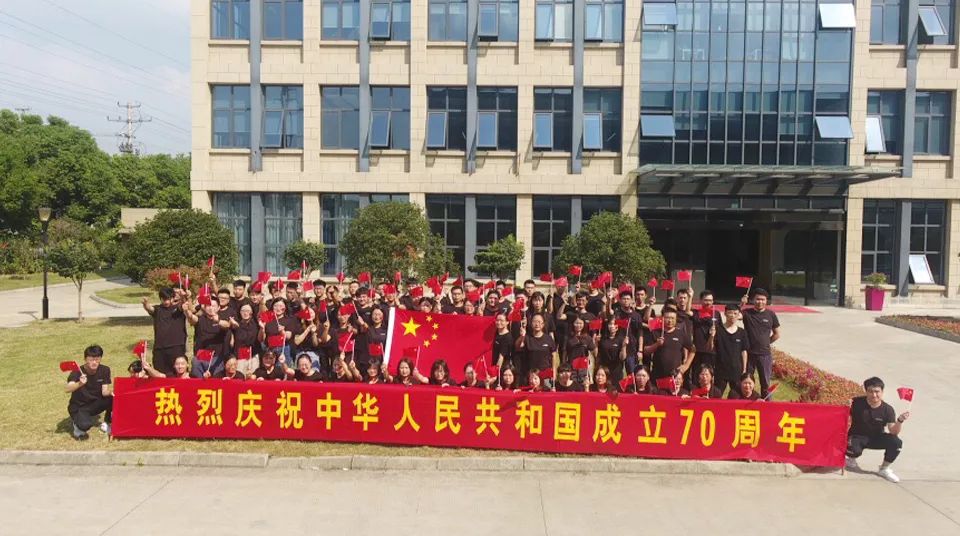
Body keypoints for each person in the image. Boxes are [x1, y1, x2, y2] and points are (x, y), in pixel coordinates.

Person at [846, 377, 910, 483]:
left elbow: (893, 431)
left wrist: (899, 421)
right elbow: (842, 416)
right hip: (857, 436)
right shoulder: (856, 403)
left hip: (876, 438)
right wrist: (845, 405)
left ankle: (884, 469)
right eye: (870, 391)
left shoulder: (888, 409)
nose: (874, 395)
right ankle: (851, 459)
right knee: (854, 450)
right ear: (866, 391)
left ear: (882, 392)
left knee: (896, 442)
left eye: (877, 391)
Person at [65, 345, 113, 440]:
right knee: (85, 425)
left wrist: (113, 392)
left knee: (114, 397)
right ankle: (77, 423)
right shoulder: (77, 372)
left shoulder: (105, 370)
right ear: (85, 359)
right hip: (79, 406)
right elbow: (67, 389)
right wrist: (80, 383)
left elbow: (104, 392)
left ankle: (107, 422)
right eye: (91, 359)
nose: (94, 362)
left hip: (95, 404)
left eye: (97, 359)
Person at [740, 288, 781, 399]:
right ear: (753, 300)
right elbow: (735, 315)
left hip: (765, 355)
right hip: (749, 354)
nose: (760, 302)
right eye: (758, 299)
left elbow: (777, 334)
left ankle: (767, 404)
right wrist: (742, 304)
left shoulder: (771, 314)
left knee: (765, 383)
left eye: (763, 299)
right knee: (746, 381)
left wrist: (766, 342)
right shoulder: (746, 313)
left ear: (766, 301)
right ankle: (746, 403)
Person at [142, 287, 188, 376]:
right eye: (163, 299)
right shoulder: (158, 309)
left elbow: (182, 304)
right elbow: (150, 308)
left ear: (172, 298)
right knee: (160, 373)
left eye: (168, 299)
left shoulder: (178, 309)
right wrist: (145, 303)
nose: (166, 302)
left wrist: (183, 296)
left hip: (176, 346)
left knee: (177, 372)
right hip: (160, 348)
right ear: (160, 299)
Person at [644, 307, 694, 381]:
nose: (670, 321)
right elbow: (646, 351)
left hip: (675, 375)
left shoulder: (681, 334)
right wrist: (656, 344)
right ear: (662, 319)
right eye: (667, 318)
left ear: (676, 319)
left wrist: (686, 365)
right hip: (658, 374)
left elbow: (693, 349)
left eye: (672, 318)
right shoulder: (655, 332)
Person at [713, 303, 750, 396]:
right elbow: (710, 348)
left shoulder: (742, 332)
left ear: (738, 315)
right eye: (730, 313)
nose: (732, 315)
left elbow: (744, 351)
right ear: (725, 314)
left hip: (736, 370)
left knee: (737, 395)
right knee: (717, 395)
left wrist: (744, 369)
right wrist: (711, 336)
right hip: (721, 370)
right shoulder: (717, 330)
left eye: (735, 313)